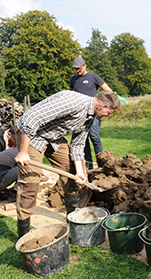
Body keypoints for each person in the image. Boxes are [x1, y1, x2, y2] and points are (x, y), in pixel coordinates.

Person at [15, 89, 120, 238]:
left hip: (54, 138)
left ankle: (73, 222)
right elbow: (30, 118)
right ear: (103, 106)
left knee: (72, 178)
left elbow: (78, 144)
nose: (107, 116)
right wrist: (23, 151)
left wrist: (79, 172)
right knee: (30, 183)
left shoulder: (90, 117)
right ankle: (24, 235)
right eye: (108, 113)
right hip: (32, 136)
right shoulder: (73, 102)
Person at [69, 57, 113, 170]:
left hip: (94, 112)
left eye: (79, 69)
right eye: (75, 69)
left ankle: (102, 163)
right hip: (80, 113)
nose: (77, 71)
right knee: (82, 138)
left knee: (94, 136)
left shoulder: (94, 77)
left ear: (85, 66)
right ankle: (88, 164)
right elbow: (69, 93)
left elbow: (108, 90)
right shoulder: (73, 79)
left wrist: (99, 101)